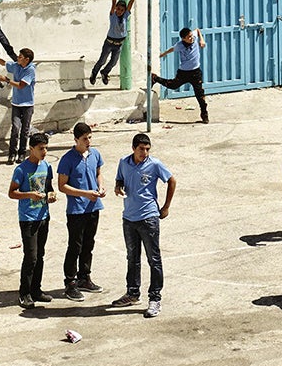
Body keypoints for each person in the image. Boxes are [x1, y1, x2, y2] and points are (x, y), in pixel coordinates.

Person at [112, 132, 174, 317]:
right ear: (133, 148)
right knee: (132, 258)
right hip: (129, 218)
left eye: (147, 149)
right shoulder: (124, 162)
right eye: (141, 149)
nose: (144, 153)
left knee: (153, 259)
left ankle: (155, 298)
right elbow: (119, 179)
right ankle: (132, 293)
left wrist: (166, 207)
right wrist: (118, 187)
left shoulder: (154, 164)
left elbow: (171, 180)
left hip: (148, 218)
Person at [57, 121, 105, 298]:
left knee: (88, 244)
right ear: (76, 139)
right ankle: (70, 282)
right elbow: (62, 186)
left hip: (93, 207)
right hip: (76, 210)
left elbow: (98, 173)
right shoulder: (68, 159)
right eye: (85, 139)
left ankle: (84, 277)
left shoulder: (95, 154)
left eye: (90, 138)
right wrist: (84, 193)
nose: (88, 141)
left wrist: (101, 187)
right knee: (75, 246)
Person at [10, 131, 55, 306]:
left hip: (43, 216)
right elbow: (12, 192)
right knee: (31, 256)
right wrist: (29, 194)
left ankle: (36, 289)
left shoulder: (47, 166)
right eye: (41, 148)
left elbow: (49, 186)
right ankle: (24, 292)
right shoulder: (21, 169)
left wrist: (51, 195)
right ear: (31, 149)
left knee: (40, 255)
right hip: (28, 218)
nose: (44, 152)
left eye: (46, 148)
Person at [151, 27, 210, 123]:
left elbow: (197, 30)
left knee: (200, 95)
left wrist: (201, 40)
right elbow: (171, 49)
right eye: (188, 37)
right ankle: (155, 78)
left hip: (196, 72)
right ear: (183, 39)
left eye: (191, 36)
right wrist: (163, 54)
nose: (191, 38)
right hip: (184, 73)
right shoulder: (180, 45)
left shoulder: (194, 37)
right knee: (172, 85)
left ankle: (204, 114)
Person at [0, 48, 38, 157]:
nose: (18, 58)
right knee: (15, 128)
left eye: (20, 57)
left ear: (26, 59)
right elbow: (3, 63)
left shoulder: (30, 70)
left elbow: (21, 85)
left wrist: (7, 80)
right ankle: (12, 153)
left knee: (24, 130)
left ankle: (22, 153)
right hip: (16, 104)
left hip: (27, 105)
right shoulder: (16, 66)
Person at [89, 0, 131, 87]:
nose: (119, 11)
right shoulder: (113, 16)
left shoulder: (125, 16)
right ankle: (94, 73)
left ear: (124, 11)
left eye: (122, 10)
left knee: (114, 62)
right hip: (109, 43)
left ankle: (104, 72)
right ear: (116, 8)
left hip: (118, 44)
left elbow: (131, 3)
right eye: (118, 9)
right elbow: (113, 2)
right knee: (102, 60)